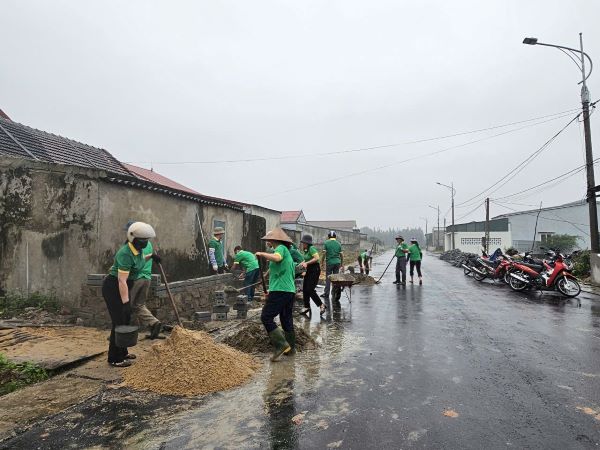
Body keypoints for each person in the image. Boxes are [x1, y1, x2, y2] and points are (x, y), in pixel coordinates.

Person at [102, 222, 159, 367]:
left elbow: (138, 263)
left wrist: (151, 256)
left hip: (124, 286)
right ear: (133, 238)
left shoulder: (137, 250)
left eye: (146, 240)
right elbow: (121, 280)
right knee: (119, 322)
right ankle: (115, 359)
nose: (145, 243)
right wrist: (126, 303)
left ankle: (123, 351)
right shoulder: (125, 253)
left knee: (125, 319)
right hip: (114, 288)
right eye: (142, 240)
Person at [255, 228, 297, 361]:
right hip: (288, 291)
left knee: (266, 317)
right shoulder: (287, 252)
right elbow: (275, 270)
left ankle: (281, 345)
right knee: (286, 319)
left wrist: (262, 254)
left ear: (273, 240)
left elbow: (277, 258)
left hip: (280, 290)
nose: (267, 241)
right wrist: (266, 282)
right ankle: (291, 348)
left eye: (268, 239)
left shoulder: (280, 249)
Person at [125, 221, 162, 340]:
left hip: (136, 278)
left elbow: (131, 261)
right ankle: (154, 322)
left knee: (127, 305)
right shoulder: (148, 244)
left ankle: (122, 331)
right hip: (147, 278)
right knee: (139, 305)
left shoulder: (132, 245)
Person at [299, 234, 326, 316]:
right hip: (309, 270)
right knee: (305, 289)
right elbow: (306, 260)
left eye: (303, 242)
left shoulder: (311, 248)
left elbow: (317, 258)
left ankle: (321, 305)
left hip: (315, 270)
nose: (302, 244)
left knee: (310, 289)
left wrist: (306, 263)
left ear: (307, 243)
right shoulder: (306, 250)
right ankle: (306, 307)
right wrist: (301, 265)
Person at [321, 230, 343, 299]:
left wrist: (322, 262)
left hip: (330, 263)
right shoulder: (339, 243)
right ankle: (335, 291)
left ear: (328, 236)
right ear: (335, 236)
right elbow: (341, 255)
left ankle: (326, 293)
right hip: (337, 263)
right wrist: (341, 263)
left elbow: (324, 253)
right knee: (335, 278)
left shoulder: (326, 243)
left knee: (328, 278)